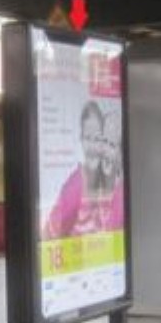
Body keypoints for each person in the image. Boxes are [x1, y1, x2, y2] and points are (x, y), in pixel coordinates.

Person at [44, 100, 125, 239]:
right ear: (81, 139)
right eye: (88, 138)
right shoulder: (75, 185)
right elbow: (49, 234)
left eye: (98, 139)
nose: (93, 146)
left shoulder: (114, 189)